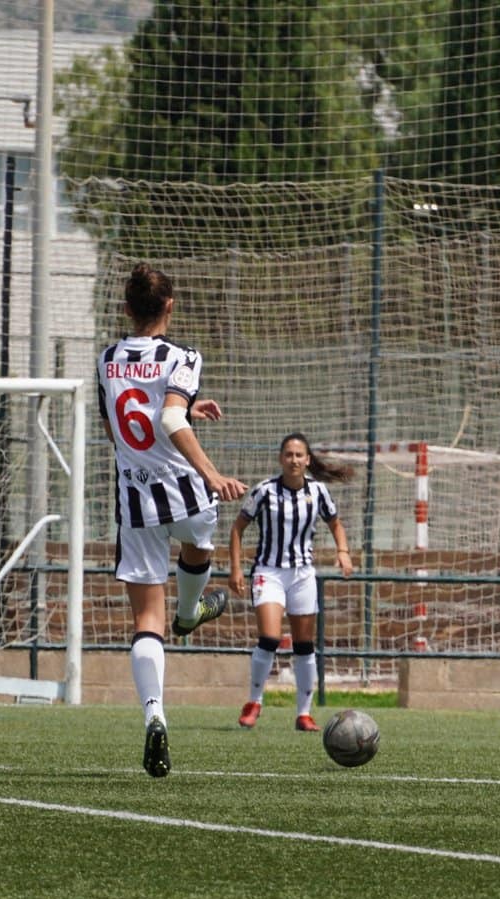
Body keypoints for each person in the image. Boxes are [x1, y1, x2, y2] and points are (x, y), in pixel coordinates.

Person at [98, 263, 247, 778]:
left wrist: (177, 407)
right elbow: (166, 417)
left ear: (125, 309)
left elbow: (123, 422)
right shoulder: (182, 355)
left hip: (135, 501)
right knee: (198, 551)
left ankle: (155, 715)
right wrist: (212, 472)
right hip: (186, 493)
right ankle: (190, 614)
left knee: (145, 621)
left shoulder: (107, 358)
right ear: (170, 306)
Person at [228, 433, 354, 731]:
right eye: (289, 454)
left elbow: (335, 522)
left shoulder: (319, 492)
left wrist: (343, 552)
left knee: (304, 645)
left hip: (302, 575)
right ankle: (254, 701)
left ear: (308, 460)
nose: (294, 460)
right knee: (270, 638)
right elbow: (237, 528)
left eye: (299, 455)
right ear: (280, 458)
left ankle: (304, 713)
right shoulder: (264, 491)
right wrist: (235, 568)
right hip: (268, 572)